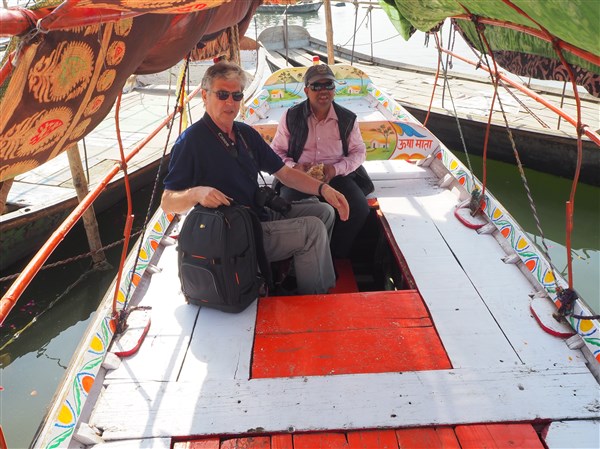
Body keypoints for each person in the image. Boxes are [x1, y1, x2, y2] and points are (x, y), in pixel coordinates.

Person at [160, 61, 350, 295]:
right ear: (205, 96)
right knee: (313, 230)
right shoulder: (191, 142)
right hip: (235, 234)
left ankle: (295, 276)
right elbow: (168, 202)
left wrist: (324, 189)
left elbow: (285, 173)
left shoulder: (245, 133)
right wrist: (196, 193)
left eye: (237, 95)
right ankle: (315, 299)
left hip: (258, 215)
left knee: (324, 211)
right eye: (222, 95)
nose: (230, 102)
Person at [270, 63, 370, 258]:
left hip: (336, 176)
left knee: (359, 208)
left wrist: (334, 169)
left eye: (328, 85)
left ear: (334, 89)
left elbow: (359, 152)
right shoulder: (291, 116)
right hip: (299, 177)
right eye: (316, 86)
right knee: (287, 208)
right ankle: (295, 256)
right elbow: (276, 151)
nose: (323, 91)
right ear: (307, 90)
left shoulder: (347, 118)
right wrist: (295, 167)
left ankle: (333, 256)